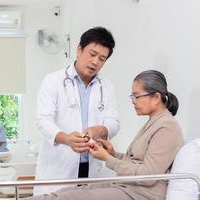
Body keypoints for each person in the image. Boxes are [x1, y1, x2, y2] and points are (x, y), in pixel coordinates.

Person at [25, 70, 184, 200]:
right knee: (64, 192)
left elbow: (149, 175)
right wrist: (113, 153)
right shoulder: (154, 122)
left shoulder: (167, 127)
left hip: (143, 193)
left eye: (136, 96)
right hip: (128, 186)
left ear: (156, 97)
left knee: (70, 197)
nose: (133, 101)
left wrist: (107, 158)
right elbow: (138, 162)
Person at [34, 26, 120, 194]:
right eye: (92, 54)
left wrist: (100, 130)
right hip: (59, 168)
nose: (95, 62)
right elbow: (43, 121)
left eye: (102, 58)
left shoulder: (106, 86)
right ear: (79, 50)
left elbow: (114, 122)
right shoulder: (53, 81)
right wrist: (66, 138)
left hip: (92, 167)